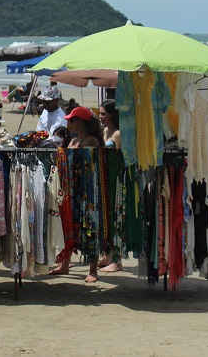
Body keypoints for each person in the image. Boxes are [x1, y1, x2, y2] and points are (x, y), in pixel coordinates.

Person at [49, 106, 103, 281]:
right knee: (68, 224)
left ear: (81, 121)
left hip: (87, 191)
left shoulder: (91, 141)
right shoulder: (73, 141)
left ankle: (93, 270)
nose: (69, 122)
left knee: (89, 227)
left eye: (72, 119)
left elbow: (89, 168)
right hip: (71, 190)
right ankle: (65, 265)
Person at [96, 99, 123, 273]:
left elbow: (121, 158)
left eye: (103, 113)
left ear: (112, 114)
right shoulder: (105, 131)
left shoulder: (117, 134)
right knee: (105, 217)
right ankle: (107, 255)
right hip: (103, 176)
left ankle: (117, 259)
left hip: (115, 178)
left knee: (115, 216)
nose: (100, 116)